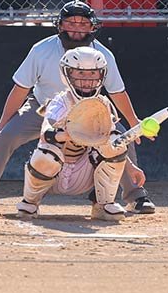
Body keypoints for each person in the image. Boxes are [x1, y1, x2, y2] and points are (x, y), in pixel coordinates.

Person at [0, 0, 156, 214]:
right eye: (71, 23)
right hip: (43, 108)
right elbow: (20, 89)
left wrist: (134, 123)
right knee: (5, 137)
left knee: (121, 138)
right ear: (60, 25)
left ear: (93, 27)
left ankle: (136, 196)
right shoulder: (41, 50)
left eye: (83, 24)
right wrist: (1, 125)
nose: (77, 29)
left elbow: (117, 92)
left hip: (88, 110)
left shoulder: (104, 54)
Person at [15, 46, 144, 221]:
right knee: (46, 153)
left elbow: (112, 145)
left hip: (84, 174)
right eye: (80, 73)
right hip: (52, 173)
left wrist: (131, 167)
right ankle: (30, 202)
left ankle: (103, 205)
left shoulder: (103, 104)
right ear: (67, 74)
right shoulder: (60, 101)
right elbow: (46, 133)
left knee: (115, 140)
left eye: (93, 73)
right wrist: (67, 135)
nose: (87, 80)